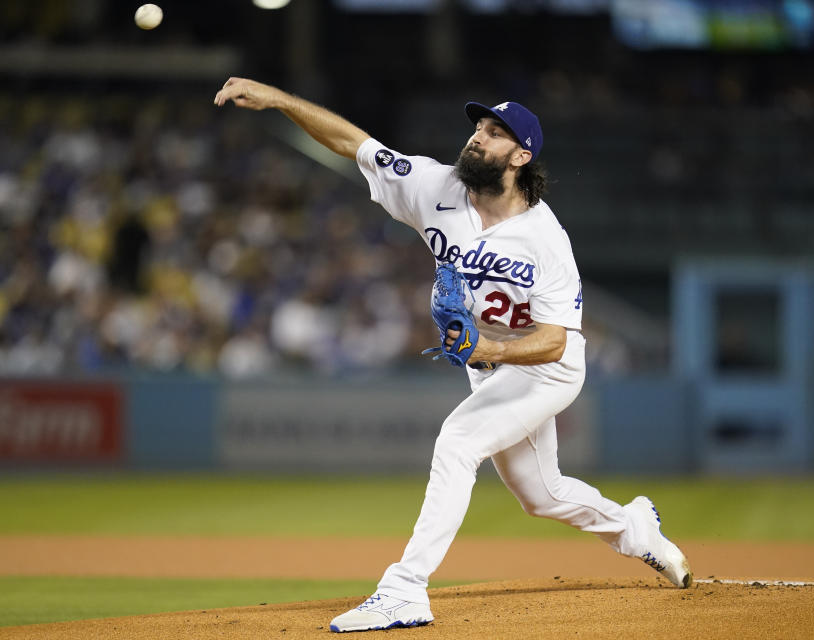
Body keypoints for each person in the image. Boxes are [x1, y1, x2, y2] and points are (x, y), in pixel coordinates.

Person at [214, 78, 693, 633]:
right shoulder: (433, 186)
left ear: (521, 155)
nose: (476, 138)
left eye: (493, 133)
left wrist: (485, 347)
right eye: (477, 128)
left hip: (546, 369)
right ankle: (635, 527)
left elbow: (557, 339)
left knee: (458, 442)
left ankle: (405, 589)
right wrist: (278, 99)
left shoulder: (546, 239)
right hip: (490, 366)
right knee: (542, 495)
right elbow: (356, 145)